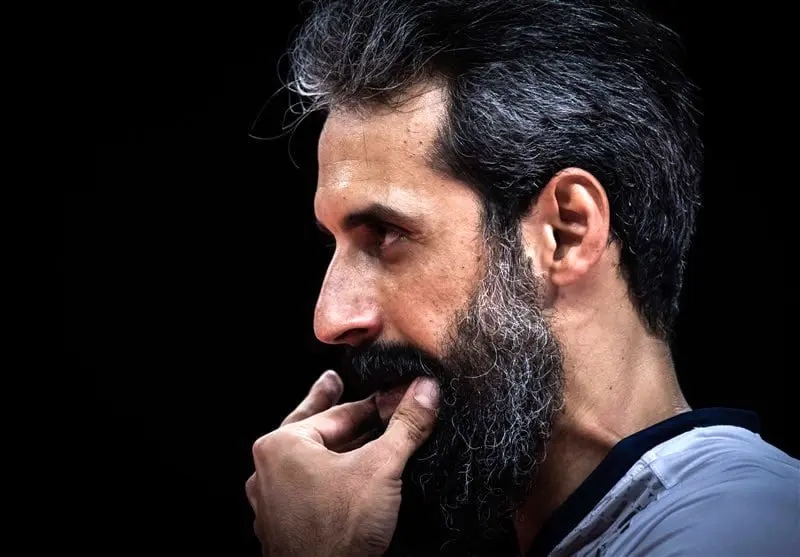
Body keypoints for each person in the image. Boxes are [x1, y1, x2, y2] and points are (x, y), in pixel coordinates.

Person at [245, 1, 799, 555]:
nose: (330, 319)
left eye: (386, 234)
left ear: (566, 232)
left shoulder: (741, 530)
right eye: (334, 245)